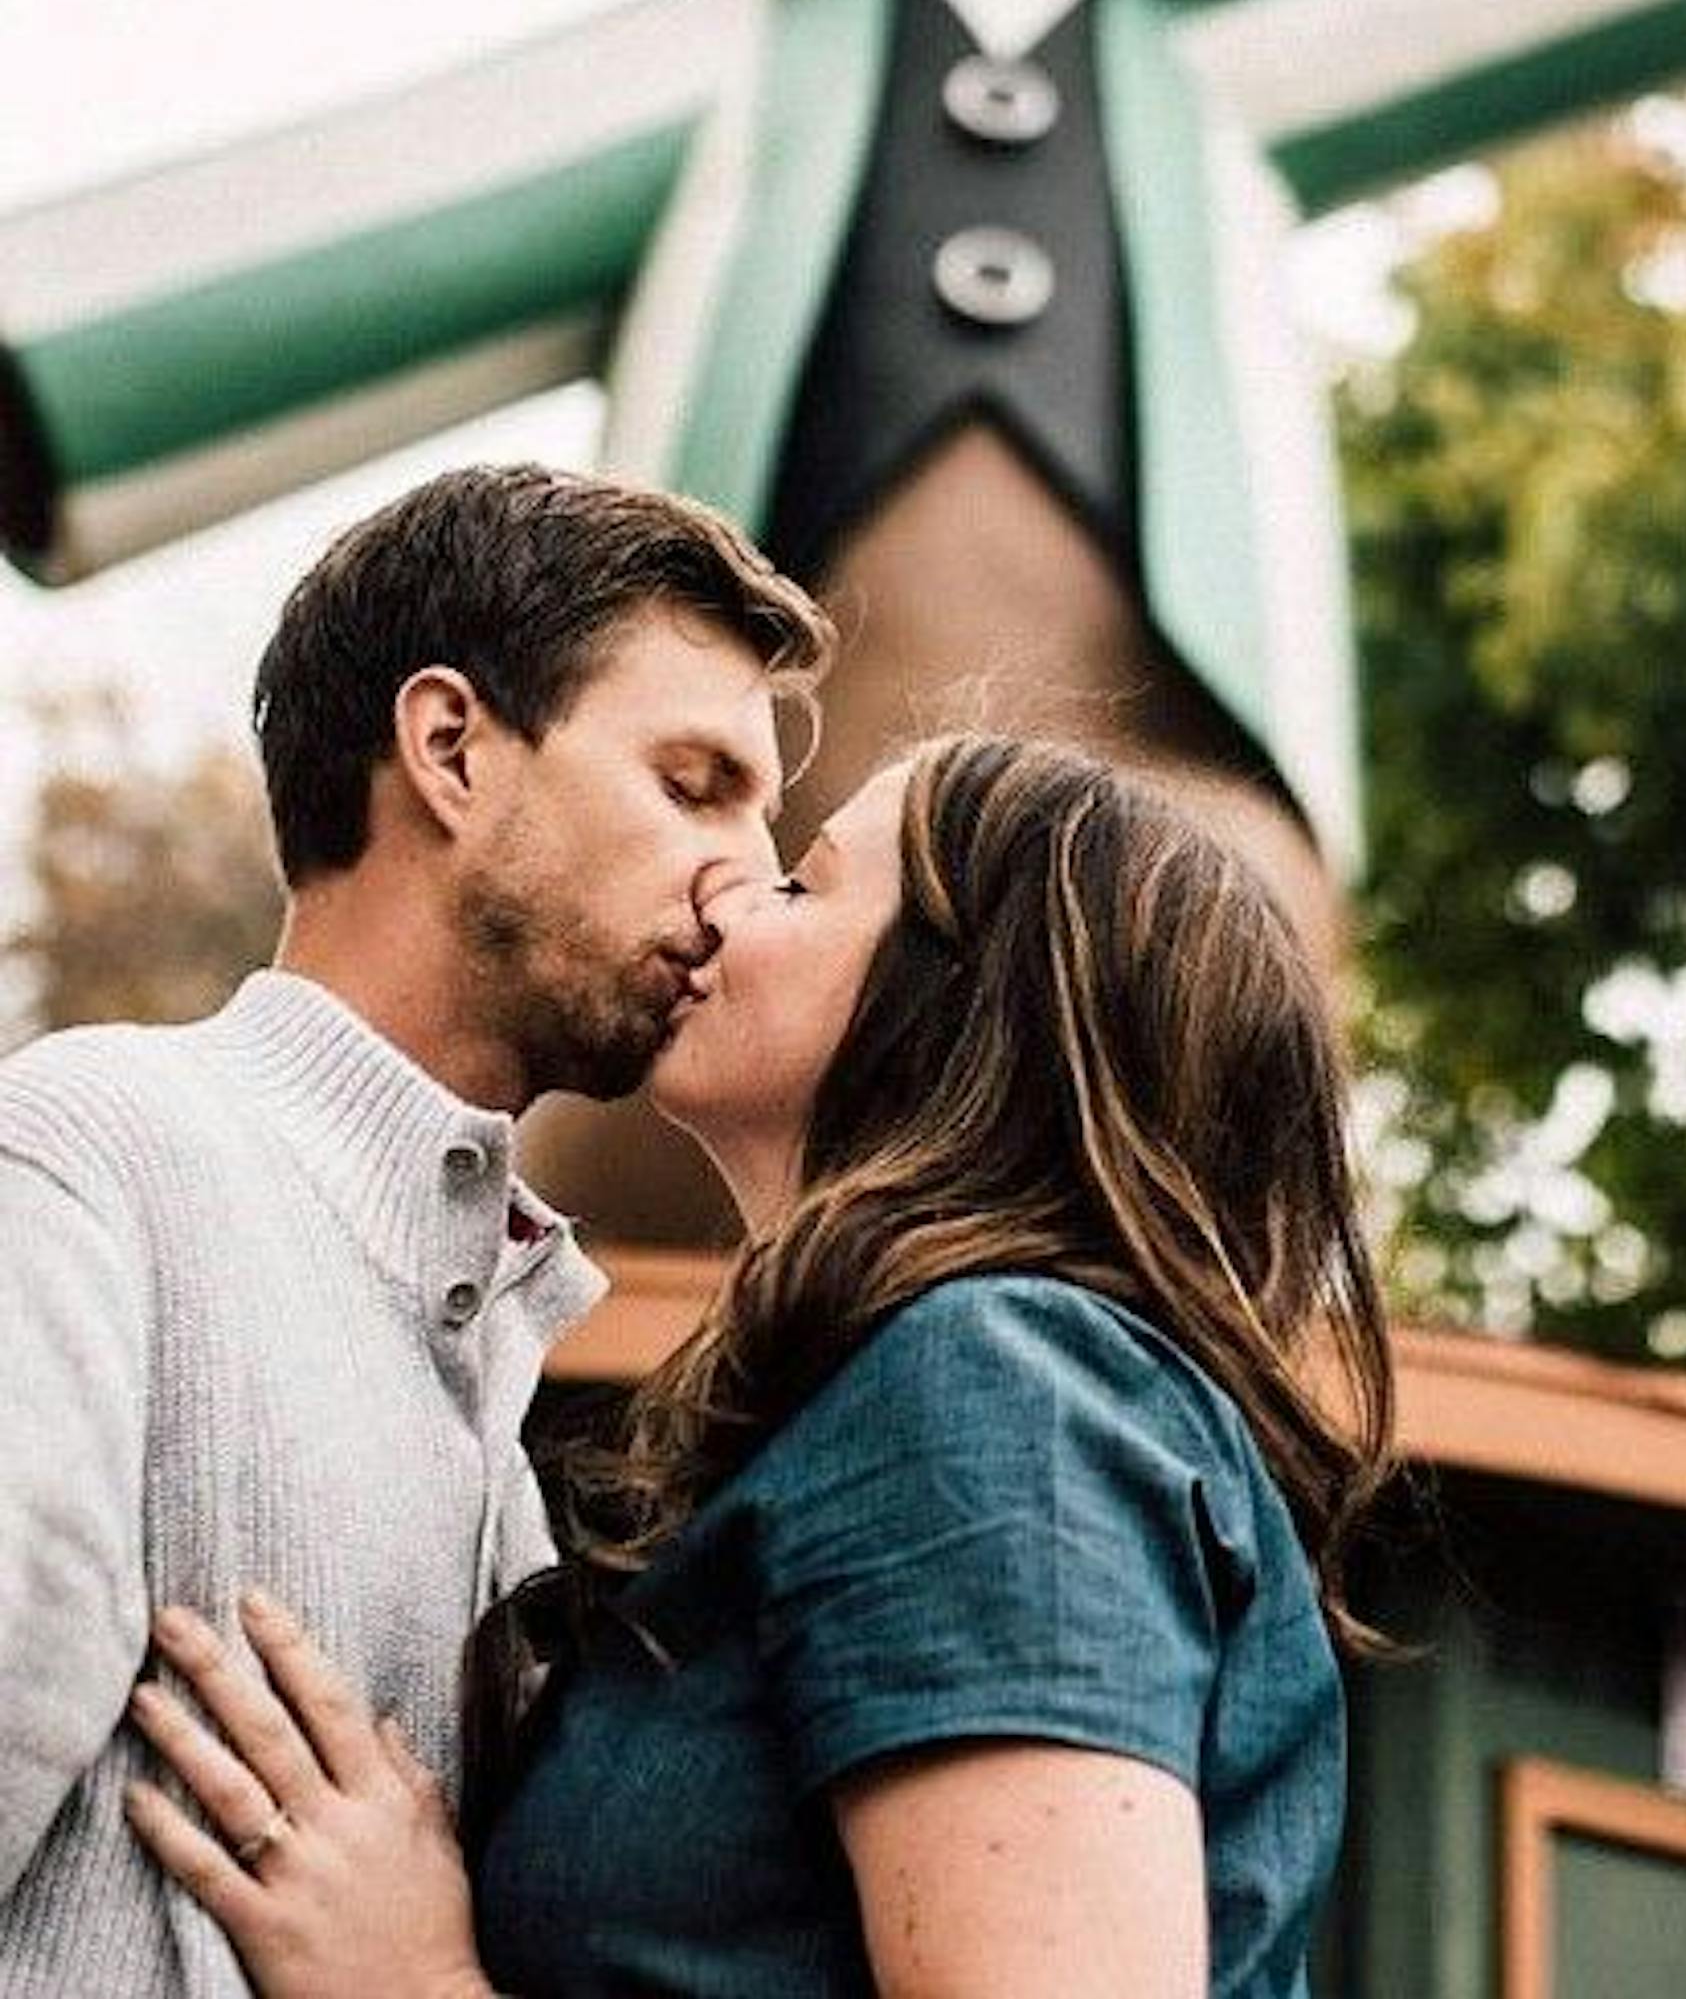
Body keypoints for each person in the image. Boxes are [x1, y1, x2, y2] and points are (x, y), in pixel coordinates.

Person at [126, 732, 1396, 1998]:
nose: (730, 887)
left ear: (959, 1006)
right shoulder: (924, 1396)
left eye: (805, 884)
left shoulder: (999, 1384)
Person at [0, 461, 830, 1996]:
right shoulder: (92, 1161)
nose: (743, 881)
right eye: (693, 783)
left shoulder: (490, 1350)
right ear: (451, 746)